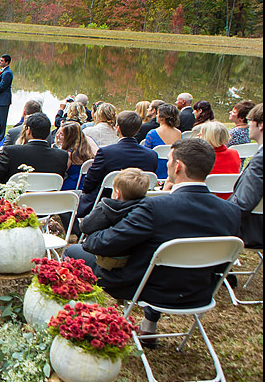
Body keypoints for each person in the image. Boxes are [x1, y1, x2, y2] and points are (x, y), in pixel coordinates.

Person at [67, 139, 241, 343]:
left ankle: (76, 325)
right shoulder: (231, 211)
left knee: (73, 252)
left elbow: (103, 244)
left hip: (145, 287)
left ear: (178, 166)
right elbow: (221, 265)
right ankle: (149, 326)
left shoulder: (154, 207)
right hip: (199, 292)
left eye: (169, 160)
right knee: (159, 258)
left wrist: (91, 236)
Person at [0, 113, 68, 245]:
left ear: (28, 130)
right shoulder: (62, 156)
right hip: (44, 205)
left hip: (11, 203)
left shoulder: (12, 151)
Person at [77, 111, 158, 217]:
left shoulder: (106, 153)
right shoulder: (152, 155)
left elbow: (89, 183)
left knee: (72, 198)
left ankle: (79, 227)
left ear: (118, 128)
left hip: (104, 204)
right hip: (138, 205)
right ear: (138, 129)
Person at [78, 168, 150, 270]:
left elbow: (85, 226)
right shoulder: (144, 209)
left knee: (71, 250)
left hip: (104, 258)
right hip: (133, 260)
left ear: (117, 193)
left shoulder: (107, 208)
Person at [228, 103, 263, 249]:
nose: (248, 126)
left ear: (261, 125)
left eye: (250, 121)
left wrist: (219, 213)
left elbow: (243, 203)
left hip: (253, 230)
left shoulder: (260, 161)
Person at [195, 122, 240, 199]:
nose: (198, 135)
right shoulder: (234, 153)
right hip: (231, 197)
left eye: (201, 134)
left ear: (208, 138)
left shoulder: (200, 157)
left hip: (207, 199)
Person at [142, 102, 182, 178]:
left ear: (162, 118)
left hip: (156, 172)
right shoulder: (179, 133)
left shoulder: (152, 133)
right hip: (173, 172)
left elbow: (146, 155)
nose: (156, 116)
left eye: (158, 114)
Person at [55, 121, 95, 190]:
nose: (57, 135)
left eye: (61, 134)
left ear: (69, 138)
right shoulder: (86, 149)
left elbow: (60, 172)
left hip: (70, 186)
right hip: (84, 184)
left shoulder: (69, 154)